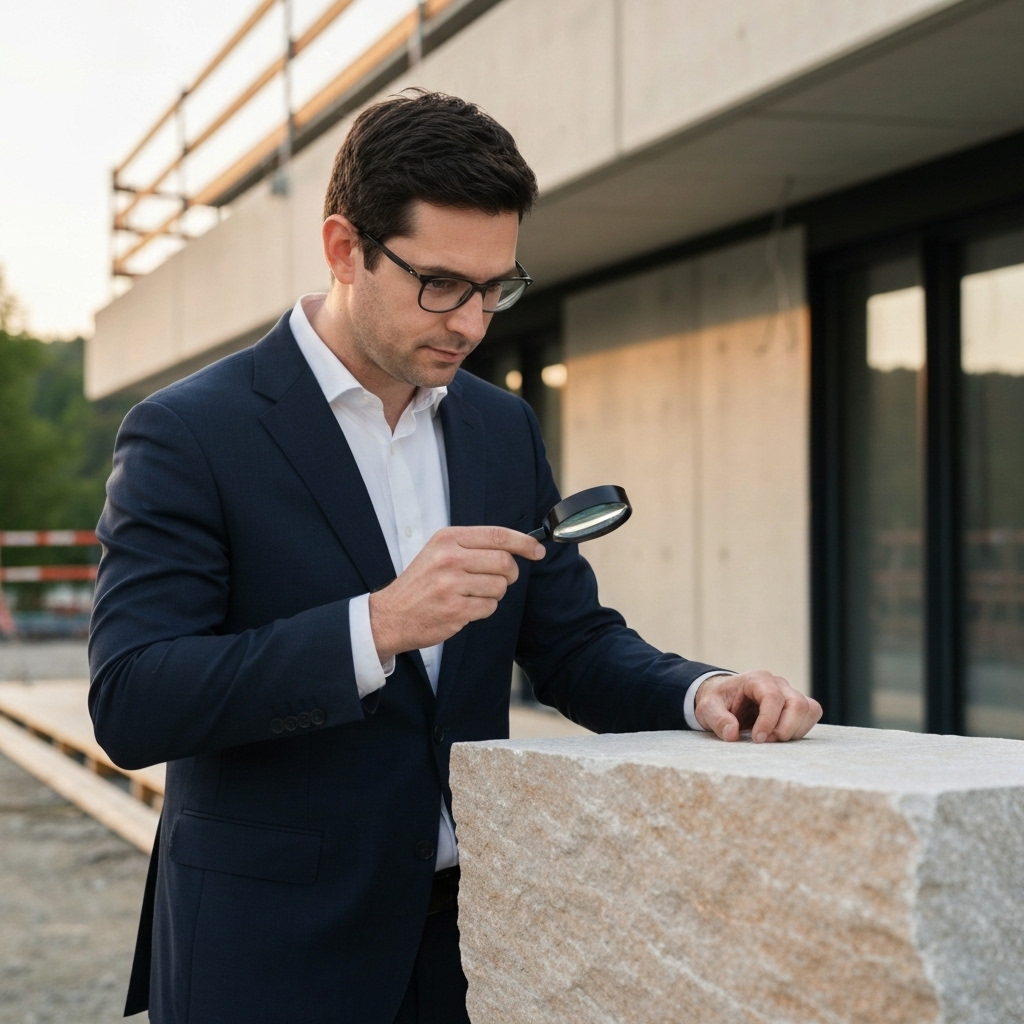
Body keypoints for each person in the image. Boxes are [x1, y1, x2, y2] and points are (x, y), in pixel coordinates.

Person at [89, 90, 821, 1024]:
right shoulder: (190, 431)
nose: (472, 323)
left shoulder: (499, 426)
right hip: (266, 957)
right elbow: (133, 698)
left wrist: (697, 692)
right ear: (344, 248)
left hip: (464, 951)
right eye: (440, 283)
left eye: (497, 287)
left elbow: (572, 644)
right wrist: (379, 626)